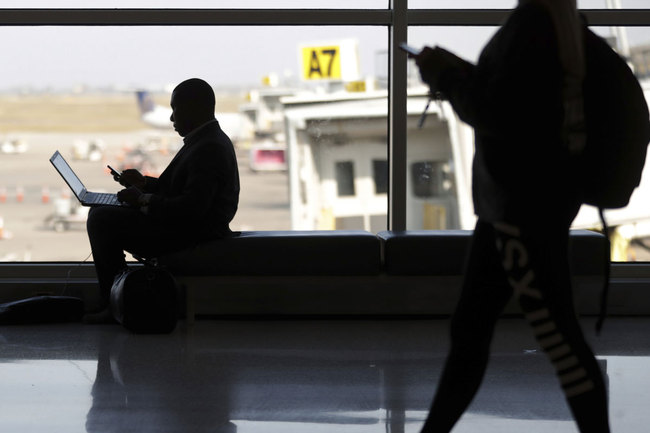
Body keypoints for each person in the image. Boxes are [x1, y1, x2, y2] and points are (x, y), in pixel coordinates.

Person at [411, 1, 610, 432]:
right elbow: (516, 99)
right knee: (472, 331)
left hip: (520, 209)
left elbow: (500, 114)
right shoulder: (556, 19)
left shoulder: (533, 24)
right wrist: (460, 72)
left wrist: (444, 76)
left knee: (557, 340)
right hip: (522, 205)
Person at [85, 78, 240, 323]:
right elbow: (179, 189)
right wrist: (144, 184)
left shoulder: (208, 147)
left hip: (192, 234)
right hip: (189, 227)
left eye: (175, 109)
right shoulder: (205, 139)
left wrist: (143, 201)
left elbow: (191, 209)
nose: (171, 118)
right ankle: (118, 295)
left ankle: (114, 301)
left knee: (101, 219)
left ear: (195, 108)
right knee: (101, 213)